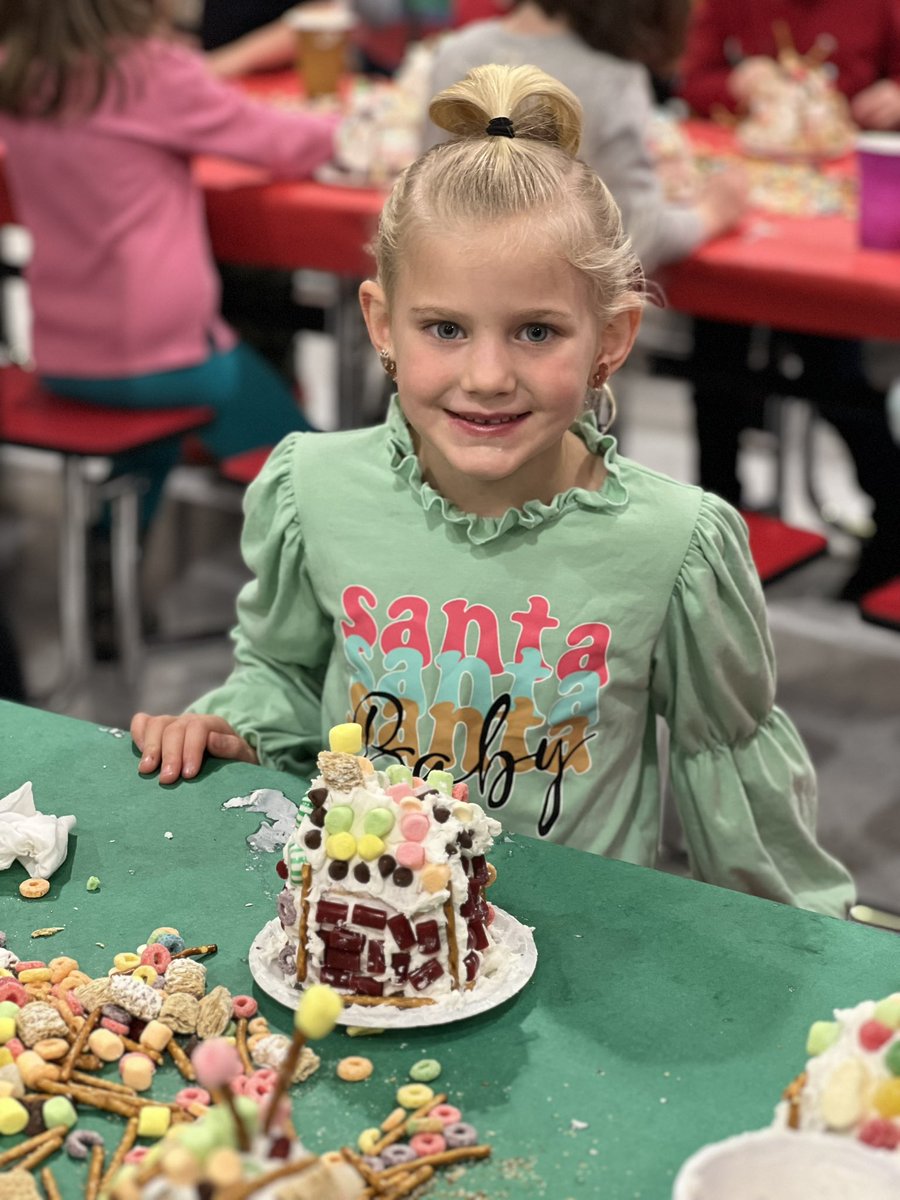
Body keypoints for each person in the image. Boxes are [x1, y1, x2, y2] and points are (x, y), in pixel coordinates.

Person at [131, 63, 854, 919]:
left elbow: (726, 760)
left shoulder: (673, 543)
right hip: (365, 932)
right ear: (381, 324)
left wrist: (809, 950)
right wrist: (232, 727)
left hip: (575, 947)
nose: (486, 376)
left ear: (611, 337)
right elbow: (284, 673)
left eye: (536, 332)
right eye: (445, 328)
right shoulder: (313, 488)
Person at [0, 0, 339, 534]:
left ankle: (109, 549)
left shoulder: (19, 73)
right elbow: (285, 143)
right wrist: (352, 125)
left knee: (151, 429)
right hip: (165, 354)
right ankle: (354, 570)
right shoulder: (149, 73)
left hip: (62, 352)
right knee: (320, 475)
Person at [676, 0, 900, 601]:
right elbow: (692, 81)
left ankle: (891, 518)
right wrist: (735, 84)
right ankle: (716, 516)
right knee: (716, 365)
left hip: (838, 216)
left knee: (833, 367)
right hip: (743, 199)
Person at [423, 0, 748, 276]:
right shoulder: (610, 79)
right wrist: (711, 212)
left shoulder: (456, 52)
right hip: (555, 305)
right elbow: (635, 236)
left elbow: (426, 200)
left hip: (456, 290)